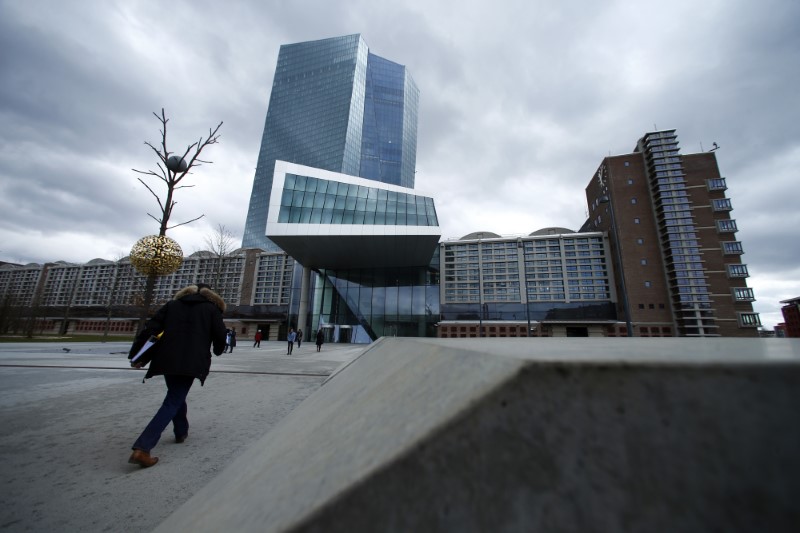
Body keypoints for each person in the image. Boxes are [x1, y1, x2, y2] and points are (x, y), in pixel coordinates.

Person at [127, 283, 226, 468]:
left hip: (166, 358)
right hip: (191, 360)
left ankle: (181, 431)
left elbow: (151, 330)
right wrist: (219, 349)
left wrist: (138, 355)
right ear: (210, 295)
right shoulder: (211, 309)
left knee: (175, 394)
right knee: (173, 399)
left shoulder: (172, 305)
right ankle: (143, 447)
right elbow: (220, 336)